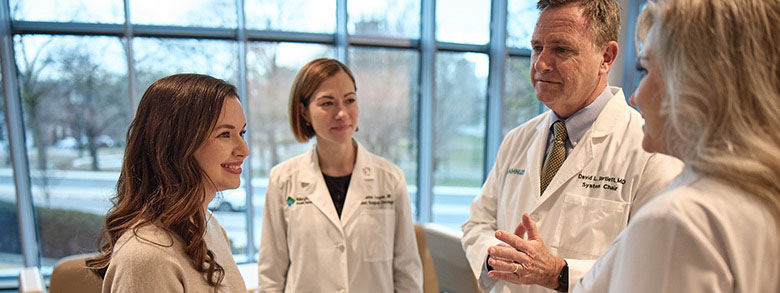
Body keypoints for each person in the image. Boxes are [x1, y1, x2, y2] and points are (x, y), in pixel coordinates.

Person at [461, 0, 683, 292]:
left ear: (606, 56)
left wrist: (557, 273)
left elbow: (653, 268)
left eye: (561, 50)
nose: (541, 63)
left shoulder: (652, 152)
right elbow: (477, 224)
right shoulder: (517, 139)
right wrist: (497, 258)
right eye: (537, 47)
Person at [574, 0, 780, 291]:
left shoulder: (677, 222)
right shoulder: (759, 197)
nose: (636, 96)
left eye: (645, 71)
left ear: (695, 84)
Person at [258, 58, 422, 292]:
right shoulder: (282, 180)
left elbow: (407, 273)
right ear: (304, 112)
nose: (342, 113)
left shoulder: (390, 179)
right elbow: (271, 275)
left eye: (350, 100)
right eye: (327, 103)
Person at [85, 74, 248, 292]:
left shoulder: (208, 225)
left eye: (242, 132)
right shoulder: (145, 255)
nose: (244, 150)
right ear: (179, 143)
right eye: (225, 134)